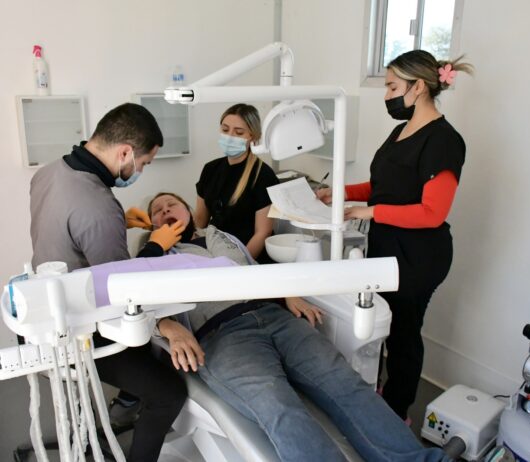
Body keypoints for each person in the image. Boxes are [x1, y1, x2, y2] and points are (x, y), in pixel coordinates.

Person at [134, 192, 455, 462]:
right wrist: (168, 327)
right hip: (222, 335)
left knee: (345, 383)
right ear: (152, 224)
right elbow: (136, 303)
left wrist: (287, 293)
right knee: (277, 404)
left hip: (272, 316)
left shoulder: (223, 237)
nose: (165, 211)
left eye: (171, 204)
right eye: (157, 211)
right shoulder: (153, 255)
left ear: (188, 211)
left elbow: (254, 270)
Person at [317, 50, 473, 422]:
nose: (386, 95)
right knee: (382, 324)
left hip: (419, 254)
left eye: (391, 86)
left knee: (404, 331)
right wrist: (341, 192)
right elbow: (384, 185)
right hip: (388, 246)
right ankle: (379, 391)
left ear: (418, 87)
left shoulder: (443, 140)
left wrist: (369, 212)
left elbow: (432, 212)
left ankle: (398, 410)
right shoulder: (401, 132)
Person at [30, 103, 187, 462]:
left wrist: (121, 224)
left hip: (43, 306)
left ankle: (126, 401)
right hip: (77, 331)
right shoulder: (99, 206)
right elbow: (123, 290)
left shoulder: (49, 172)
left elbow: (68, 229)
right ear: (125, 153)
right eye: (144, 163)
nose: (140, 171)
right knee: (168, 392)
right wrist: (155, 246)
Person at [194, 103, 279, 263]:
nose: (230, 136)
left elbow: (263, 233)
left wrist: (238, 265)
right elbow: (200, 220)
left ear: (252, 136)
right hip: (216, 252)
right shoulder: (210, 169)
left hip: (249, 258)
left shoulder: (263, 175)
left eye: (239, 132)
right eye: (225, 130)